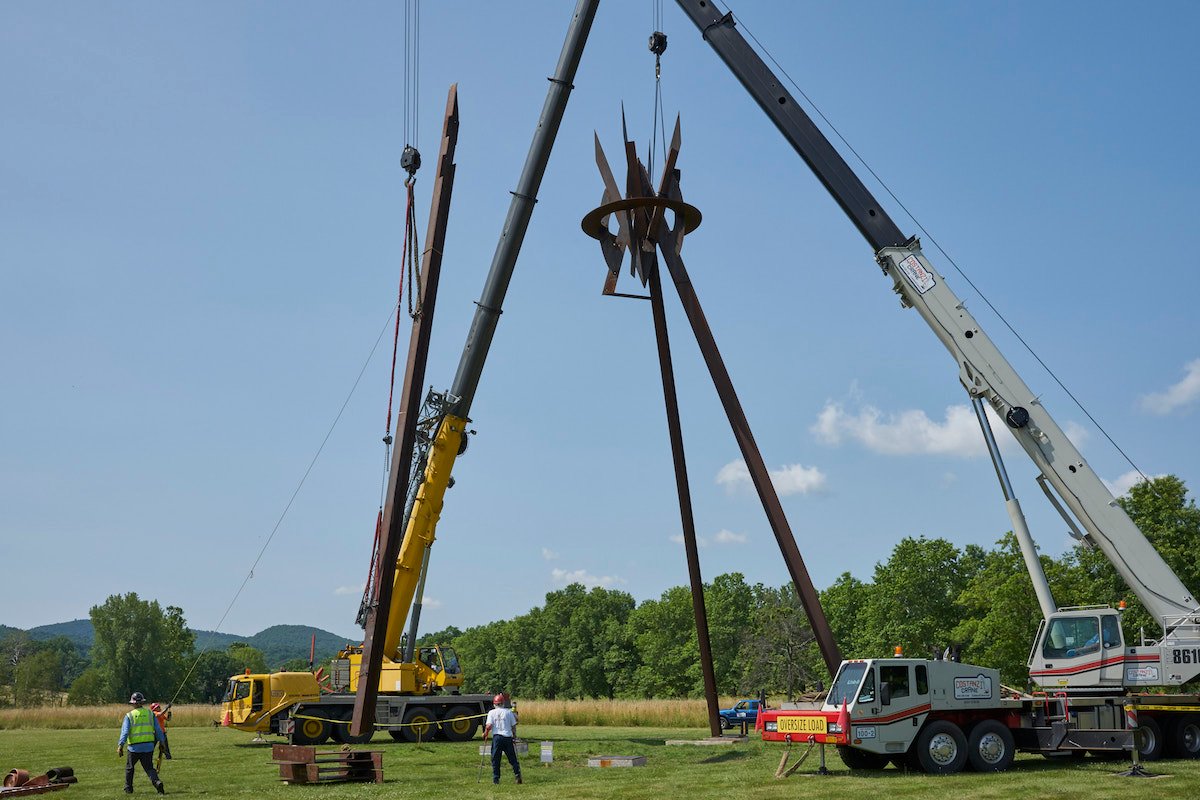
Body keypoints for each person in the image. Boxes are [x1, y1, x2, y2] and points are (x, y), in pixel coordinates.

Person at [118, 692, 167, 794]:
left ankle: (128, 788)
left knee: (130, 768)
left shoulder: (129, 716)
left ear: (133, 703)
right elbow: (158, 729)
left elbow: (125, 732)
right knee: (149, 768)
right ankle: (157, 782)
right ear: (142, 702)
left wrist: (120, 745)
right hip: (148, 747)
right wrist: (162, 742)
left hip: (134, 748)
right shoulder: (150, 714)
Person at [483, 692, 522, 785]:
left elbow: (488, 726)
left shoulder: (491, 713)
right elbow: (513, 726)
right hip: (507, 737)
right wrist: (514, 736)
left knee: (495, 759)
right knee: (512, 758)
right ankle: (517, 775)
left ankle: (496, 779)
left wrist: (485, 734)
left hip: (497, 738)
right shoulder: (508, 712)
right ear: (503, 703)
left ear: (494, 704)